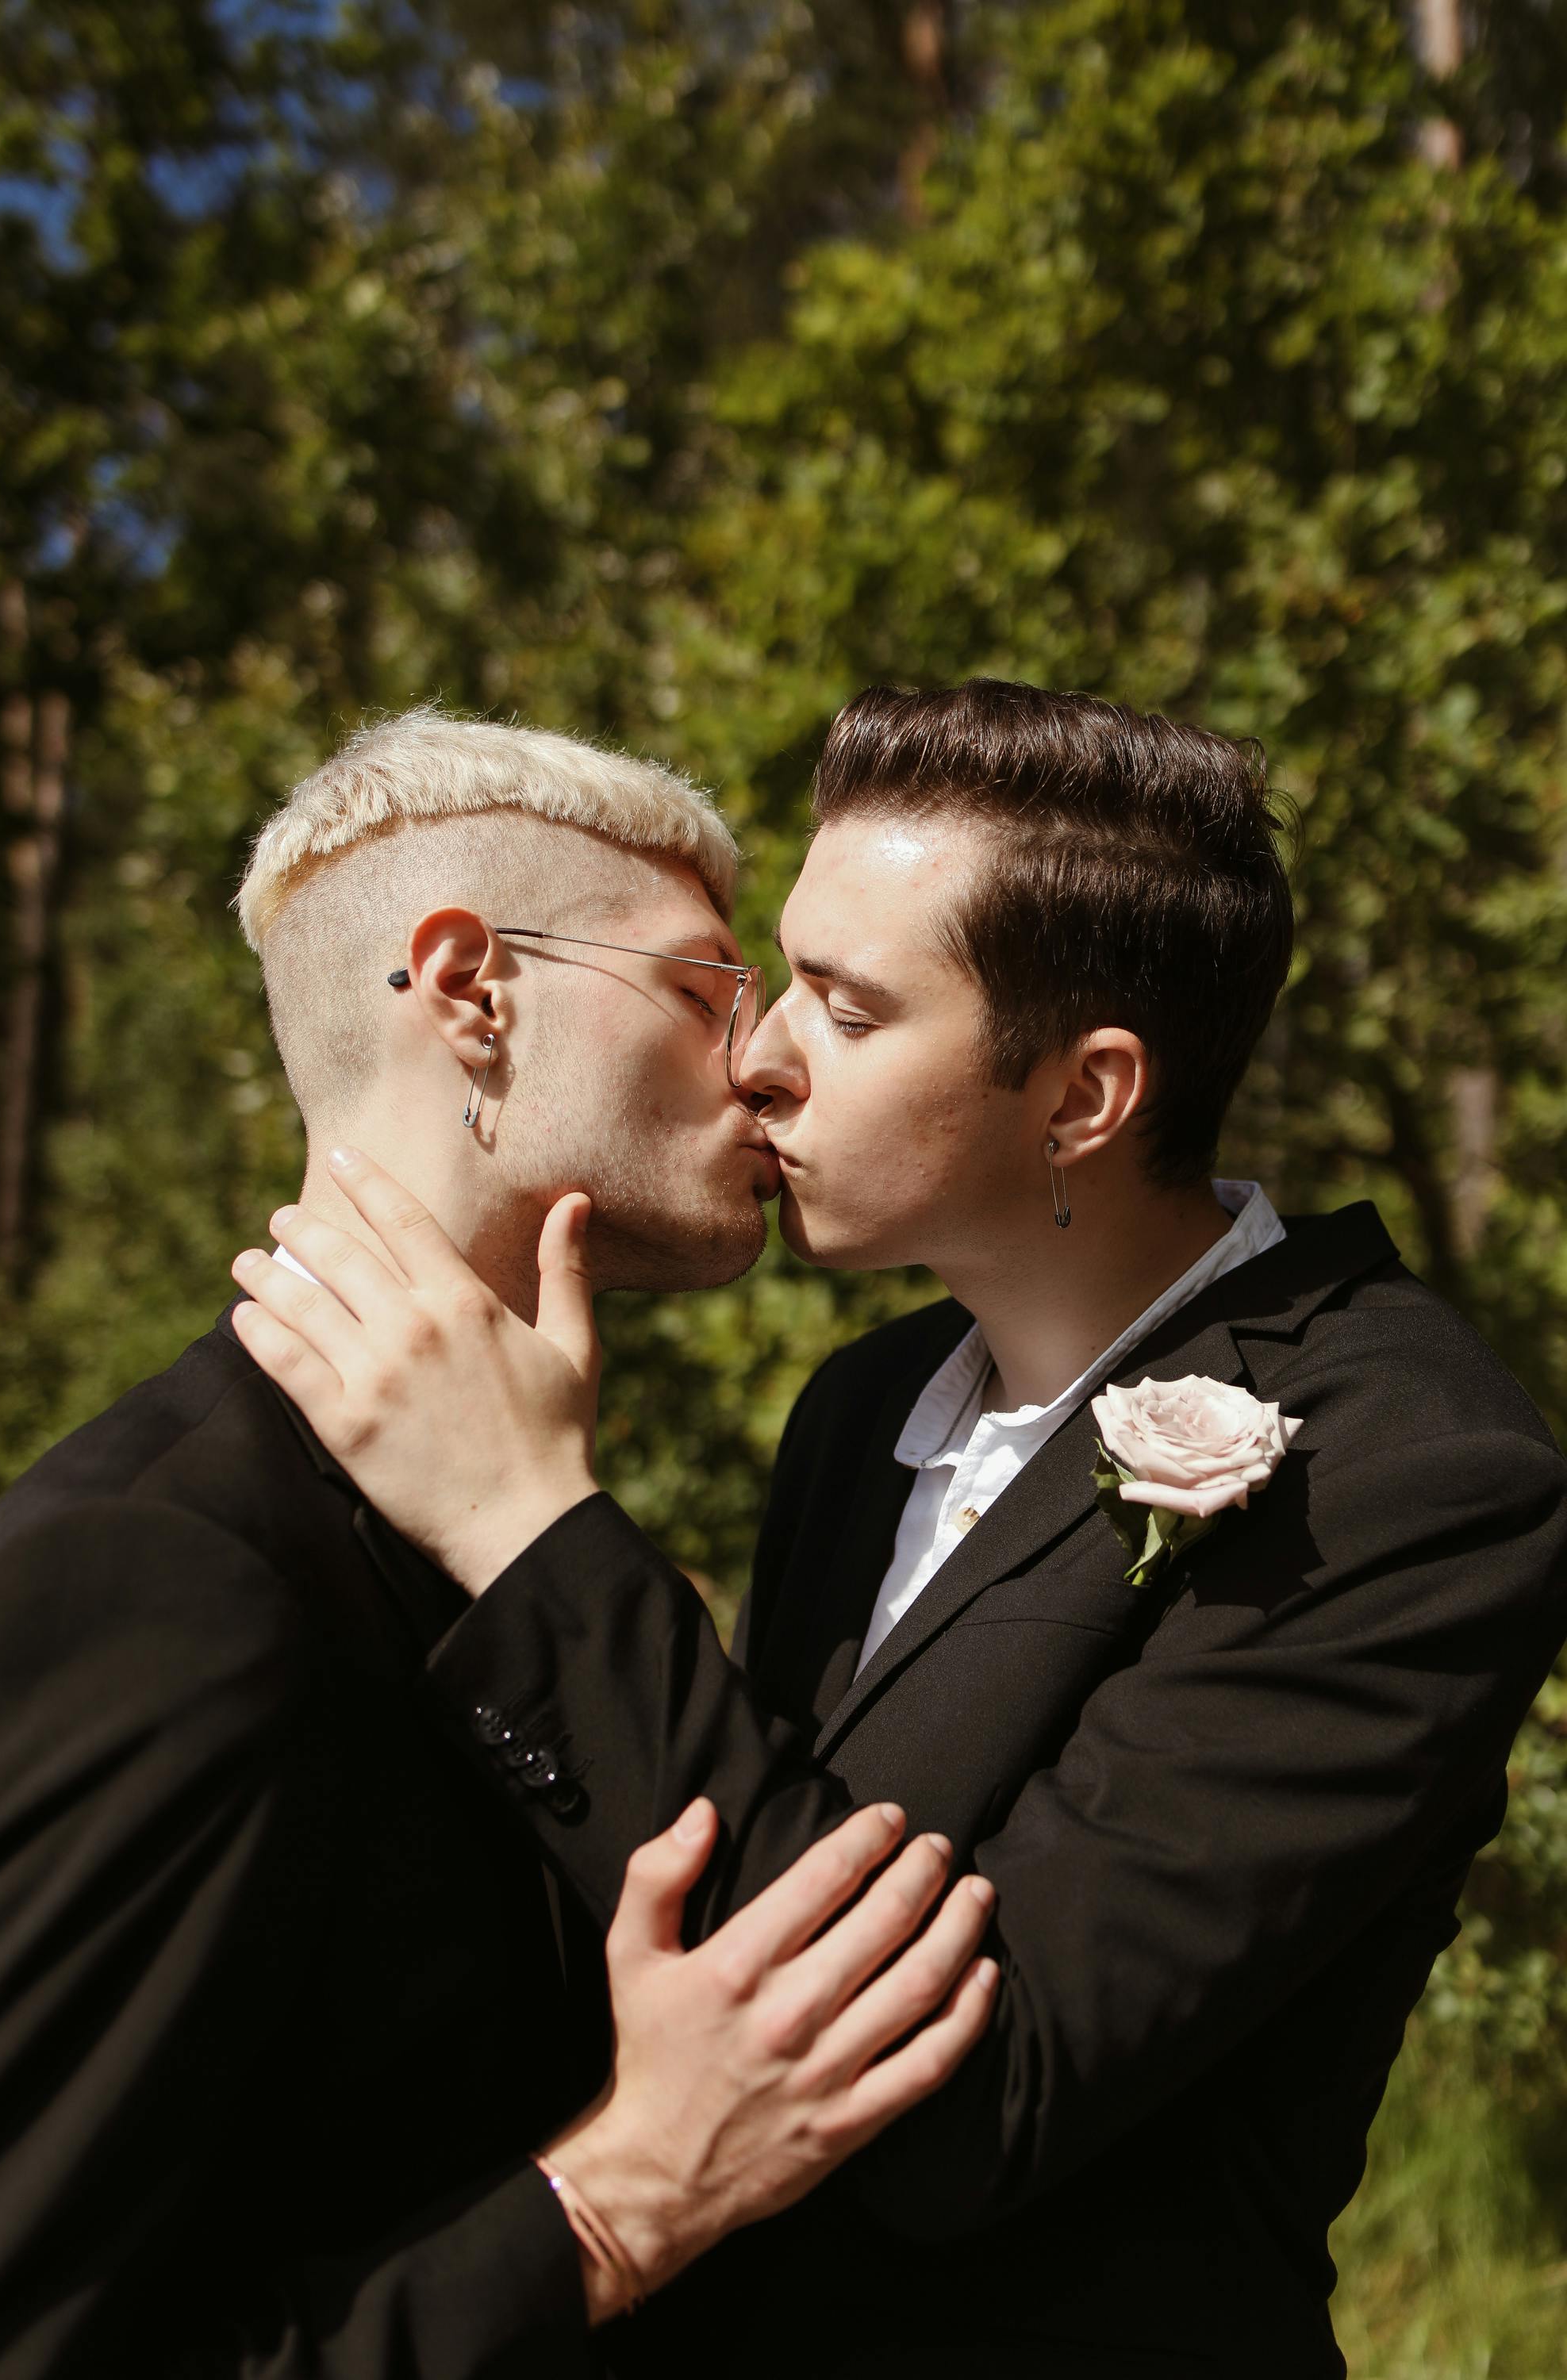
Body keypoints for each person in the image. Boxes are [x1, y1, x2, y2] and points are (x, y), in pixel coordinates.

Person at [237, 681, 1567, 2380]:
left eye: (849, 1012)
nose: (758, 1053)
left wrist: (527, 1525)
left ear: (1082, 1097)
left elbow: (976, 2095)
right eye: (780, 974)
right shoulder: (859, 1407)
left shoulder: (1406, 1469)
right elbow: (736, 1872)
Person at [0, 710, 999, 2380]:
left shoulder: (524, 1542)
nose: (758, 1060)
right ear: (467, 990)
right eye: (700, 991)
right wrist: (613, 2205)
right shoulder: (170, 1573)